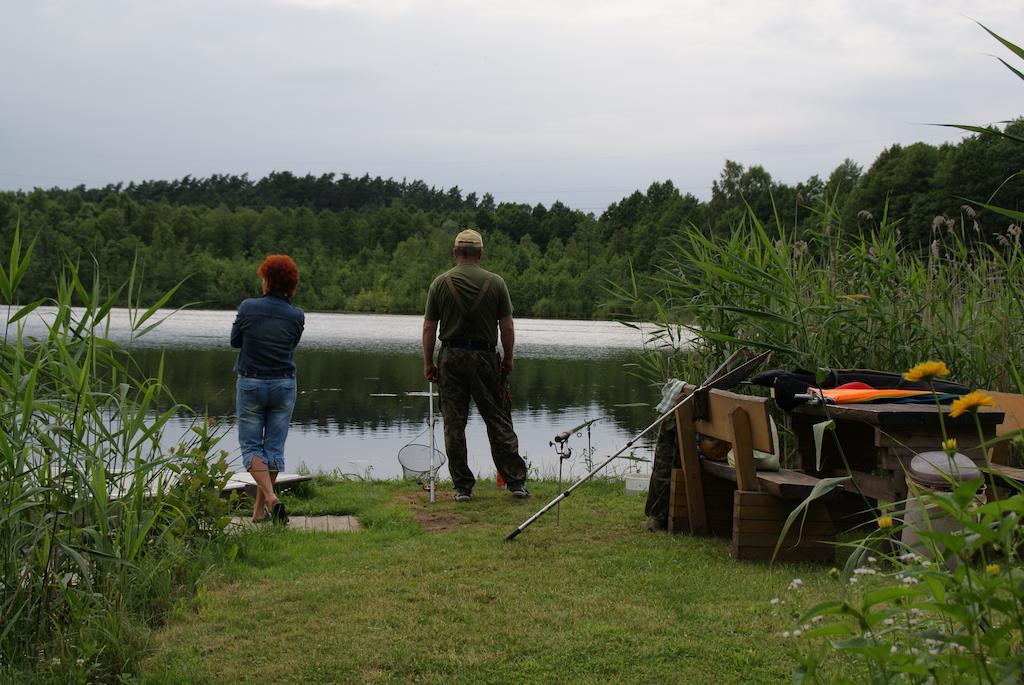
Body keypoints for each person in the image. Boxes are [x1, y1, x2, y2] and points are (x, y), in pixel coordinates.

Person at [422, 229, 529, 502]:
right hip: (484, 358)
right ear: (480, 253)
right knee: (498, 419)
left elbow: (429, 327)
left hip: (451, 357)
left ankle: (463, 488)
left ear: (455, 253)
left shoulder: (439, 283)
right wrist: (508, 358)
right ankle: (515, 482)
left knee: (454, 424)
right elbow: (507, 327)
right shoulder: (496, 283)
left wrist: (428, 362)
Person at [230, 254, 305, 524]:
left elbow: (234, 341)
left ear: (267, 280)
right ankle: (259, 511)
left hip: (251, 383)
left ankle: (271, 499)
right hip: (284, 384)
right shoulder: (296, 315)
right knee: (273, 449)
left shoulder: (248, 307)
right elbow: (291, 345)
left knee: (251, 449)